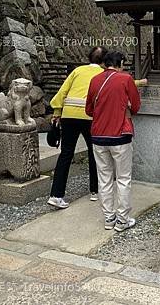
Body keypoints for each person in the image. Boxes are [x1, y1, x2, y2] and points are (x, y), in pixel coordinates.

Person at [86, 51, 141, 232]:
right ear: (121, 63)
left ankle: (109, 218)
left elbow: (89, 110)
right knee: (123, 178)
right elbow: (136, 106)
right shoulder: (126, 79)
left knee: (104, 178)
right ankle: (122, 220)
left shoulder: (94, 80)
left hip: (98, 136)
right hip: (120, 135)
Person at [47, 46, 107, 209]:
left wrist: (57, 112)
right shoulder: (104, 74)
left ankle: (56, 195)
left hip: (69, 115)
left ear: (89, 58)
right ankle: (95, 191)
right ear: (104, 61)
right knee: (94, 152)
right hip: (89, 116)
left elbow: (63, 91)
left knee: (66, 154)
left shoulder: (77, 70)